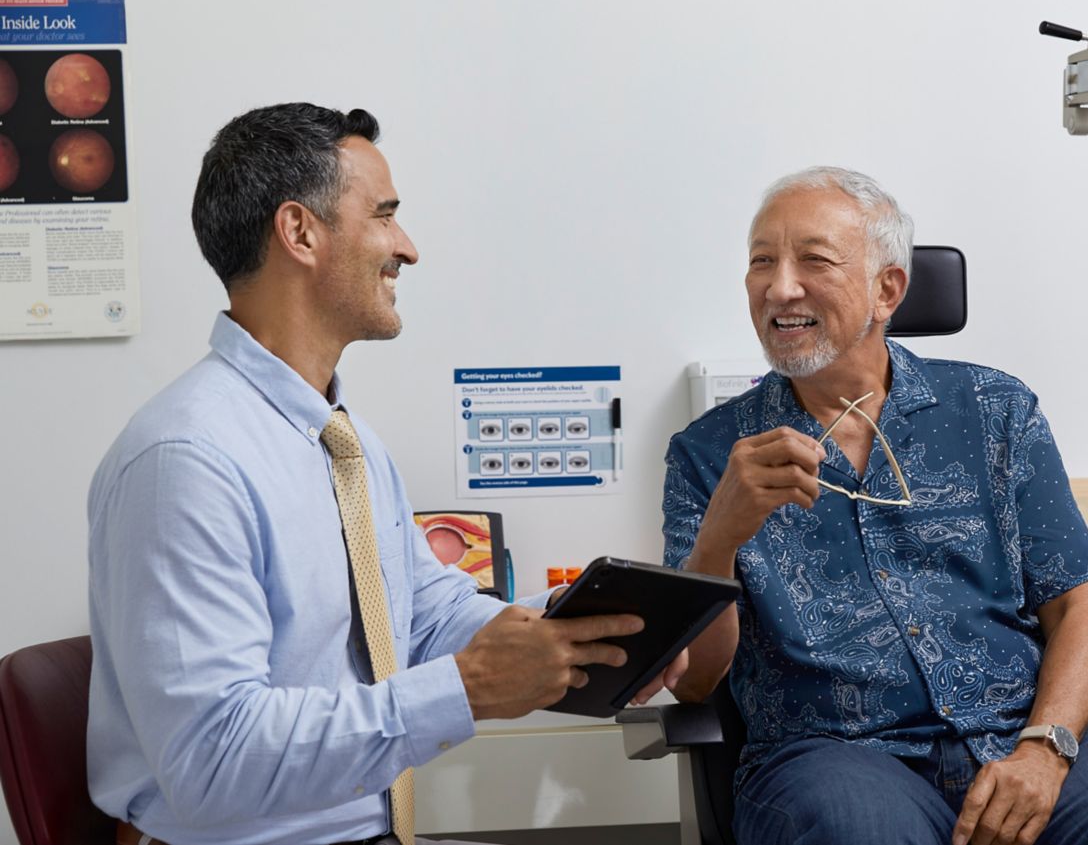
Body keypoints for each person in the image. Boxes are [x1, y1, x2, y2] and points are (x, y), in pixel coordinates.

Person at [86, 103, 682, 845]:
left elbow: (422, 616)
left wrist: (583, 629)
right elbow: (212, 760)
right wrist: (465, 689)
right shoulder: (186, 461)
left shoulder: (346, 441)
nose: (408, 248)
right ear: (300, 232)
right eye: (385, 216)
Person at [660, 166, 1088, 845]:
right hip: (834, 757)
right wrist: (719, 537)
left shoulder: (995, 411)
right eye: (761, 262)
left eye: (811, 260)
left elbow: (1081, 607)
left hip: (1012, 735)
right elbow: (696, 682)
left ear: (888, 289)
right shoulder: (709, 455)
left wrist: (1045, 749)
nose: (778, 286)